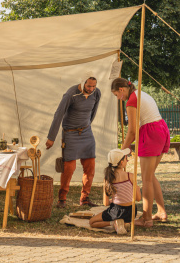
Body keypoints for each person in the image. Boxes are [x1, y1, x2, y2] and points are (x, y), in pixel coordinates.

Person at [111, 78, 170, 227]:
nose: (118, 98)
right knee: (150, 176)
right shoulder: (140, 93)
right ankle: (161, 212)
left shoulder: (131, 100)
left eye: (116, 94)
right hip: (161, 129)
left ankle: (146, 218)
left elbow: (131, 131)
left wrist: (122, 151)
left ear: (122, 90)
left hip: (151, 133)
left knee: (146, 180)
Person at [46, 71, 101, 208]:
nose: (91, 89)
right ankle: (62, 199)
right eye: (89, 86)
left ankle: (85, 198)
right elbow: (58, 114)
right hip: (70, 134)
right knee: (69, 167)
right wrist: (51, 137)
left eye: (93, 86)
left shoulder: (96, 93)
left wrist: (86, 126)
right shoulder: (71, 93)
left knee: (90, 166)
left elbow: (93, 113)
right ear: (83, 83)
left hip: (87, 133)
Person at [89, 148, 141, 234]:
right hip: (131, 212)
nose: (127, 160)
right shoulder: (130, 176)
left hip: (116, 211)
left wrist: (113, 201)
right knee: (123, 213)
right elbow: (138, 198)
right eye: (125, 158)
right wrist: (138, 189)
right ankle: (125, 223)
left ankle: (113, 223)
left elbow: (105, 203)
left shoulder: (107, 179)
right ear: (121, 162)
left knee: (92, 222)